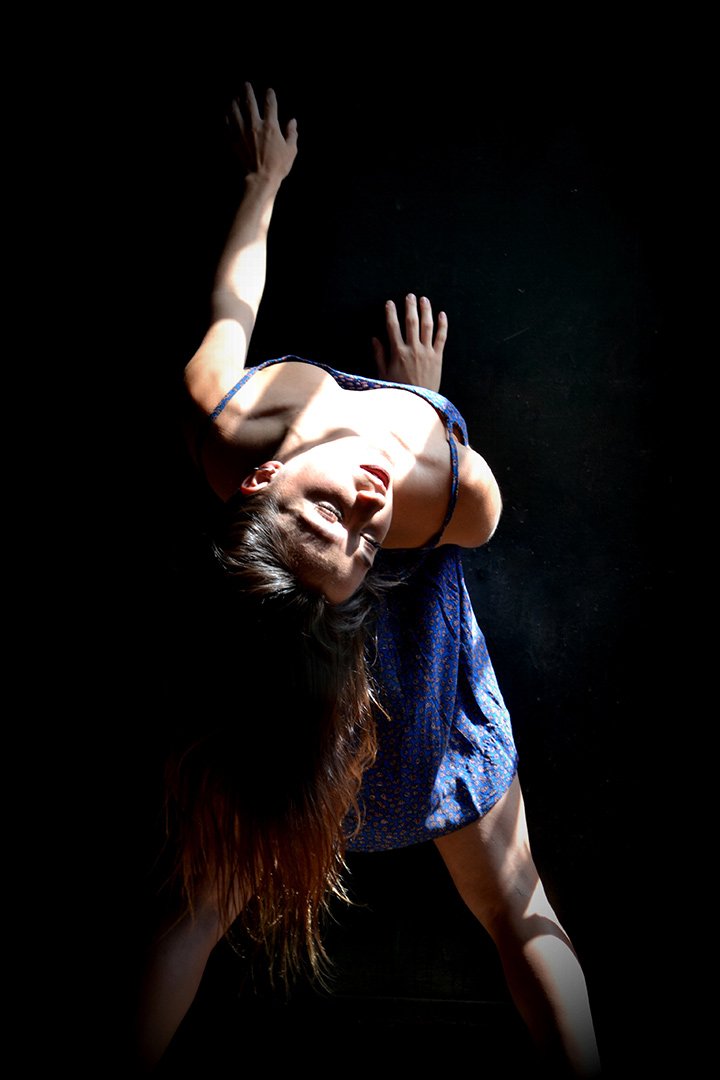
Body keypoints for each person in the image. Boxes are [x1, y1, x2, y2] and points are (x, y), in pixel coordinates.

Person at [134, 83, 602, 1076]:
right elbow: (469, 503)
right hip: (381, 712)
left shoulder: (221, 421)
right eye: (365, 538)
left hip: (312, 719)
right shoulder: (446, 498)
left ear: (257, 483)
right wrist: (423, 414)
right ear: (371, 577)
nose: (366, 501)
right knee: (520, 909)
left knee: (197, 914)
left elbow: (230, 304)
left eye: (327, 512)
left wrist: (262, 184)